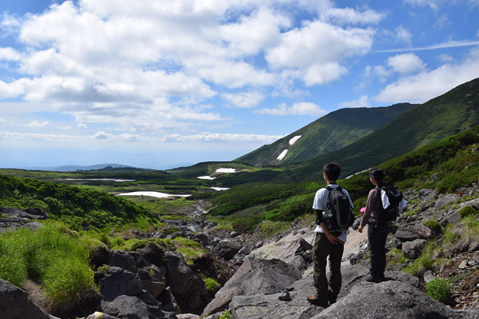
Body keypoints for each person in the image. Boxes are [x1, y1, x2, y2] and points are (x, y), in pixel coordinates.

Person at [307, 162, 354, 307]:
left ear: (325, 176)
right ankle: (333, 296)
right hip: (340, 235)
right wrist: (341, 235)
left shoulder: (321, 192)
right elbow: (349, 215)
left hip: (324, 235)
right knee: (335, 266)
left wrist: (328, 234)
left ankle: (321, 296)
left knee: (319, 264)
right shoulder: (344, 192)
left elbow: (319, 217)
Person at [358, 169, 395, 283]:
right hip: (386, 224)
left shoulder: (373, 192)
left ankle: (375, 275)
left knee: (374, 251)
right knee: (381, 249)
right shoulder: (388, 190)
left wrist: (361, 225)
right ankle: (381, 273)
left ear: (373, 179)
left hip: (375, 225)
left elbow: (368, 211)